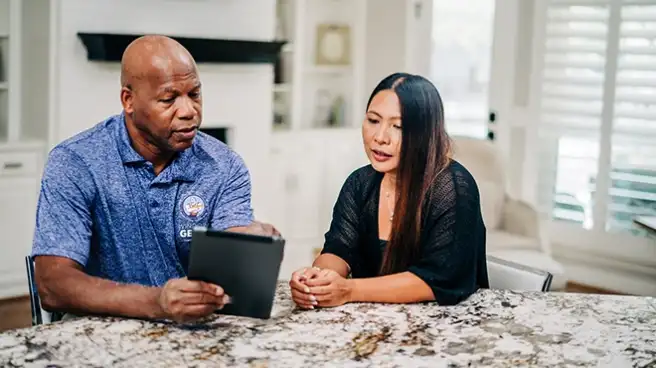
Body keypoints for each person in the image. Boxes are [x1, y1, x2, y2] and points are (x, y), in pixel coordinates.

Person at [31, 35, 279, 323]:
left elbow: (232, 242)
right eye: (169, 98)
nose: (189, 112)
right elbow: (52, 285)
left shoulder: (224, 164)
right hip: (98, 333)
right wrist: (157, 302)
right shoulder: (76, 162)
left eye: (195, 95)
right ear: (129, 100)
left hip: (192, 331)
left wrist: (251, 245)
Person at [289, 72, 489, 309]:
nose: (380, 137)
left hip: (444, 333)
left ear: (424, 134)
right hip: (371, 330)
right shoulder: (360, 183)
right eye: (373, 121)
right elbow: (338, 249)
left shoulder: (453, 188)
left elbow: (437, 279)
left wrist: (349, 290)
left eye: (398, 126)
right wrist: (318, 281)